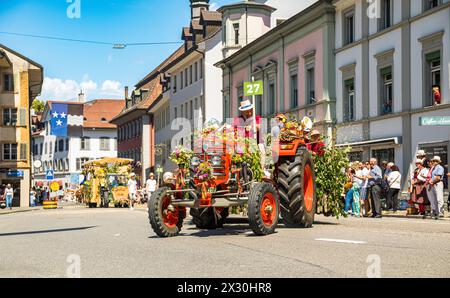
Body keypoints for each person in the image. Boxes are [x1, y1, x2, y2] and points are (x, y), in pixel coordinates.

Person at [233, 100, 270, 178]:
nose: (249, 113)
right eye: (246, 111)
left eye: (250, 111)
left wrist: (253, 126)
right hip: (243, 142)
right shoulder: (238, 120)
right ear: (242, 112)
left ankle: (262, 170)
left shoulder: (256, 117)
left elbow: (260, 126)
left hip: (256, 141)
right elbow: (233, 130)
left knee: (261, 150)